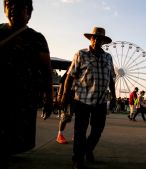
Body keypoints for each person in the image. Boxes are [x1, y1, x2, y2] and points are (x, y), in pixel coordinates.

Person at [0, 0, 53, 168]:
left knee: (13, 138)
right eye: (9, 3)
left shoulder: (37, 39)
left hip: (21, 101)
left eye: (20, 4)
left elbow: (47, 70)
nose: (13, 7)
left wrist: (49, 98)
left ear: (29, 12)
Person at [60, 26, 116, 169]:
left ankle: (88, 149)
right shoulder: (81, 54)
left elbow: (111, 78)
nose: (96, 40)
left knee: (98, 130)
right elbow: (69, 76)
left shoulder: (108, 57)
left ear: (103, 41)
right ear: (90, 39)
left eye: (100, 38)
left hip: (101, 100)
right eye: (94, 37)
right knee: (80, 131)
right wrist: (65, 95)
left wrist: (114, 97)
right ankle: (78, 158)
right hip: (82, 99)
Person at [56, 71, 75, 144]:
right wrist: (60, 96)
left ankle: (76, 135)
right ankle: (60, 135)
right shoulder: (71, 69)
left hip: (78, 98)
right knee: (65, 117)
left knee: (80, 118)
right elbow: (62, 82)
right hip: (68, 98)